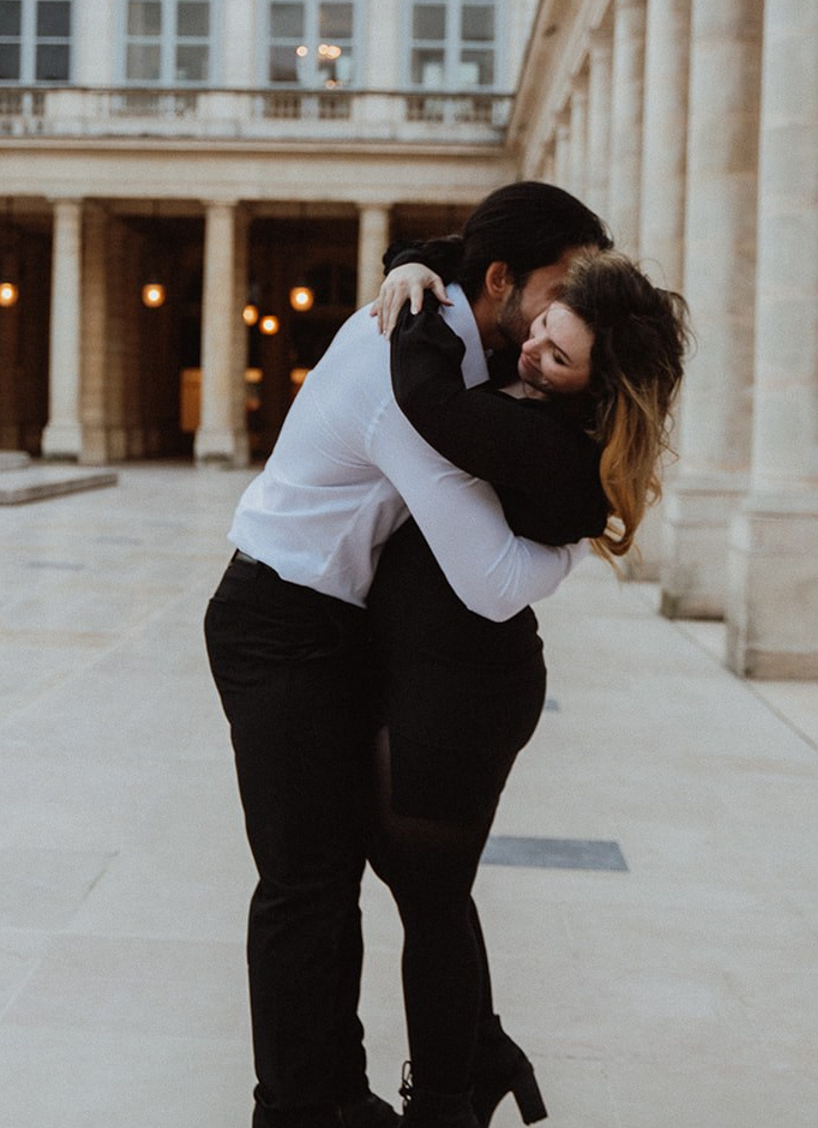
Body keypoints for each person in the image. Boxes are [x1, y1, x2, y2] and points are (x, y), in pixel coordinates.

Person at [203, 182, 613, 1128]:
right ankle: (302, 1107)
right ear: (500, 279)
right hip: (278, 619)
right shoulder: (409, 371)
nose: (562, 311)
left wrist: (412, 258)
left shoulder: (456, 332)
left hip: (334, 622)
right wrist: (582, 544)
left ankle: (372, 1082)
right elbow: (492, 579)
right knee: (306, 883)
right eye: (557, 286)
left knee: (365, 874)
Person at [363, 247, 689, 1127]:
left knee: (429, 899)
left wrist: (415, 296)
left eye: (559, 355)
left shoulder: (550, 443)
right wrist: (422, 257)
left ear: (598, 386)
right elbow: (502, 258)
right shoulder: (536, 402)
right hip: (441, 673)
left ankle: (443, 1104)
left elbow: (424, 397)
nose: (532, 349)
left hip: (463, 692)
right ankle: (486, 1052)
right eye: (543, 326)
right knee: (424, 883)